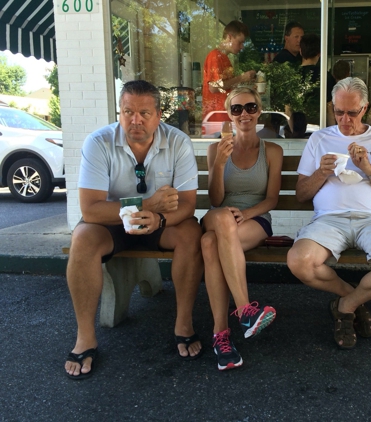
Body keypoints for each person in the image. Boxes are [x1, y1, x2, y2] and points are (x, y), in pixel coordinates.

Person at [64, 80, 204, 380]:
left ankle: (183, 323)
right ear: (119, 111)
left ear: (159, 115)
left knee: (192, 234)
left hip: (161, 224)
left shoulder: (178, 142)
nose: (135, 120)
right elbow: (90, 209)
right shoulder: (98, 142)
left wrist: (160, 218)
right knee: (82, 239)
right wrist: (149, 204)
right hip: (113, 223)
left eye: (144, 112)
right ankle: (85, 337)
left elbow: (189, 204)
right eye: (127, 111)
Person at [286, 77, 371, 350]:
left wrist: (370, 169)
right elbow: (301, 194)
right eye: (338, 112)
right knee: (299, 261)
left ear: (366, 108)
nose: (344, 119)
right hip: (328, 220)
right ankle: (353, 299)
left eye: (352, 112)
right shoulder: (319, 139)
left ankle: (345, 306)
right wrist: (321, 173)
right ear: (332, 108)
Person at [202, 87, 283, 370]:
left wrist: (246, 214)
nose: (244, 114)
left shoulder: (272, 151)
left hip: (254, 220)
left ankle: (220, 335)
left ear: (259, 111)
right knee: (223, 218)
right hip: (219, 215)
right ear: (230, 115)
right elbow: (215, 200)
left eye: (250, 107)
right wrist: (220, 164)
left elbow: (272, 199)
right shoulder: (216, 149)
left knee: (210, 245)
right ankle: (246, 310)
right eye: (236, 109)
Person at [202, 20, 256, 121]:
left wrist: (245, 83)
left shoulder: (225, 58)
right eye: (240, 42)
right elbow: (213, 87)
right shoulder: (215, 56)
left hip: (225, 114)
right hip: (216, 118)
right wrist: (241, 78)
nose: (242, 46)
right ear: (230, 37)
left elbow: (227, 86)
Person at [298, 34, 336, 126]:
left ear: (300, 51)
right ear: (319, 53)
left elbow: (288, 108)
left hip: (297, 130)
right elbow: (329, 108)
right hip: (319, 127)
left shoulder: (292, 75)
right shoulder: (325, 76)